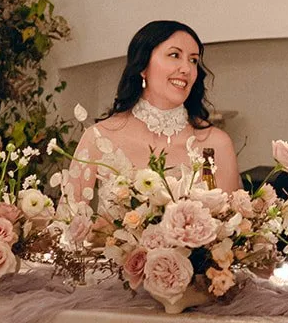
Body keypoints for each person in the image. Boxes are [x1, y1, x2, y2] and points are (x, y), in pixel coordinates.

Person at [64, 20, 240, 203]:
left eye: (193, 60)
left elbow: (229, 219)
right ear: (143, 66)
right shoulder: (100, 138)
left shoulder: (216, 143)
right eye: (174, 55)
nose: (186, 69)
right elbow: (68, 216)